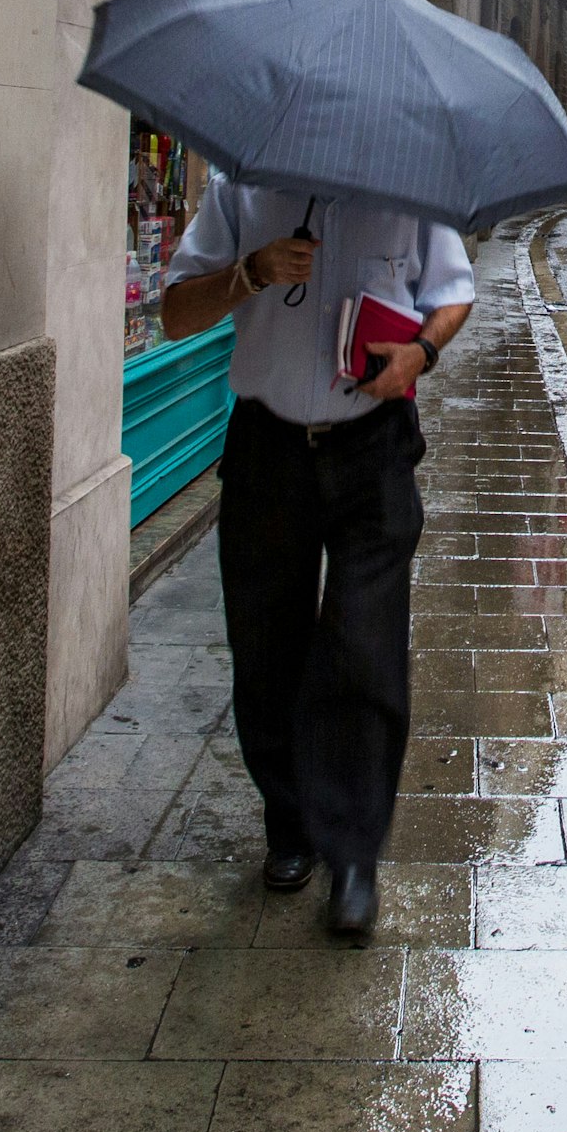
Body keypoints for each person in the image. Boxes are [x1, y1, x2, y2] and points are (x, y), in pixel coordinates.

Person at [161, 184, 476, 940]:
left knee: (365, 647)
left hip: (373, 447)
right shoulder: (241, 189)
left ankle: (355, 855)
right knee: (266, 645)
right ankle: (291, 826)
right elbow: (174, 315)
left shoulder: (407, 188)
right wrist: (253, 272)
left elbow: (453, 293)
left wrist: (420, 355)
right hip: (267, 444)